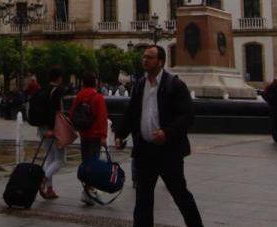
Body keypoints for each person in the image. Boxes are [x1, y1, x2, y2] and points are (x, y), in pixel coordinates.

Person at [113, 46, 204, 227]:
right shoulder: (140, 84)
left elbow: (188, 115)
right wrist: (120, 134)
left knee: (180, 194)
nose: (144, 60)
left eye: (149, 57)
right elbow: (132, 112)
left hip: (168, 152)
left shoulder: (174, 85)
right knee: (143, 198)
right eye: (144, 57)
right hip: (145, 150)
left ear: (160, 61)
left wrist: (167, 132)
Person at [71, 71, 109, 205]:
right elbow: (102, 118)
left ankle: (87, 190)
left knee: (86, 163)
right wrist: (103, 136)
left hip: (84, 134)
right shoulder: (97, 97)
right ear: (95, 83)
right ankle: (89, 191)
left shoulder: (78, 96)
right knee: (93, 163)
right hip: (95, 135)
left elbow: (72, 115)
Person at [32, 68, 66, 200]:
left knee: (50, 158)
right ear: (58, 78)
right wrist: (53, 129)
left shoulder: (43, 90)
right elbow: (55, 112)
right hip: (52, 129)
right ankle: (43, 180)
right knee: (59, 159)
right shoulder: (56, 91)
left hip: (41, 129)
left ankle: (50, 189)